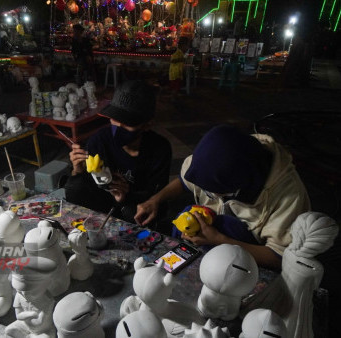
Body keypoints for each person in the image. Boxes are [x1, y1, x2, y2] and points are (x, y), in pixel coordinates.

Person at [135, 125, 311, 269]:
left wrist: (220, 241)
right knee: (186, 220)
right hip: (214, 231)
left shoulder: (288, 197)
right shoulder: (210, 158)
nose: (206, 194)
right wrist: (155, 199)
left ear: (237, 186)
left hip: (252, 251)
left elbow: (279, 257)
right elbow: (184, 181)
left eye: (211, 192)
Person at [64, 80, 172, 225]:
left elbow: (155, 194)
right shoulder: (99, 140)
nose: (118, 126)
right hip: (105, 199)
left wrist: (126, 195)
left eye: (127, 122)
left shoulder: (160, 149)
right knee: (74, 186)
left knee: (135, 213)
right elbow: (85, 184)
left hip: (135, 202)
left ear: (147, 125)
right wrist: (78, 170)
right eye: (115, 118)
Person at [169, 36, 189, 101]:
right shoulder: (178, 52)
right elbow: (172, 60)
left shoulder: (180, 52)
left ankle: (174, 97)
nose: (187, 48)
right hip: (175, 74)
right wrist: (181, 59)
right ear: (183, 45)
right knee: (175, 87)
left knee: (176, 87)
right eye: (186, 46)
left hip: (177, 73)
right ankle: (173, 98)